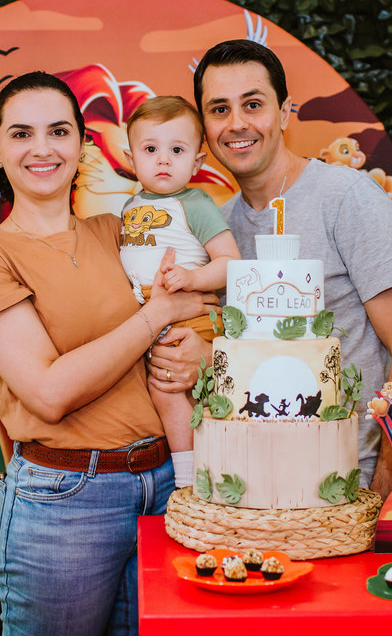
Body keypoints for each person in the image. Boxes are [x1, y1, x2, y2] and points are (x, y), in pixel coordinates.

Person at [0, 71, 211, 636]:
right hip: (64, 501)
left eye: (58, 131)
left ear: (82, 144)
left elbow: (201, 299)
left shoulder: (117, 231)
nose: (42, 148)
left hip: (168, 485)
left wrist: (200, 347)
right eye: (21, 133)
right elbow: (48, 392)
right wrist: (156, 317)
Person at [147, 39, 392, 499]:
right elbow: (241, 355)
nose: (237, 123)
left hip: (349, 479)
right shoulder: (215, 231)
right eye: (219, 109)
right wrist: (200, 358)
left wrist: (386, 486)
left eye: (253, 104)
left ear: (283, 113)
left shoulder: (348, 198)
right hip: (250, 483)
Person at [118, 95, 241, 489]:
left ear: (197, 163)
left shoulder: (196, 203)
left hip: (191, 316)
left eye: (177, 150)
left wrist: (191, 277)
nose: (163, 160)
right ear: (130, 159)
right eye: (150, 150)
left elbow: (230, 263)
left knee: (167, 390)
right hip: (152, 315)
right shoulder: (129, 206)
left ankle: (188, 484)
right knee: (161, 392)